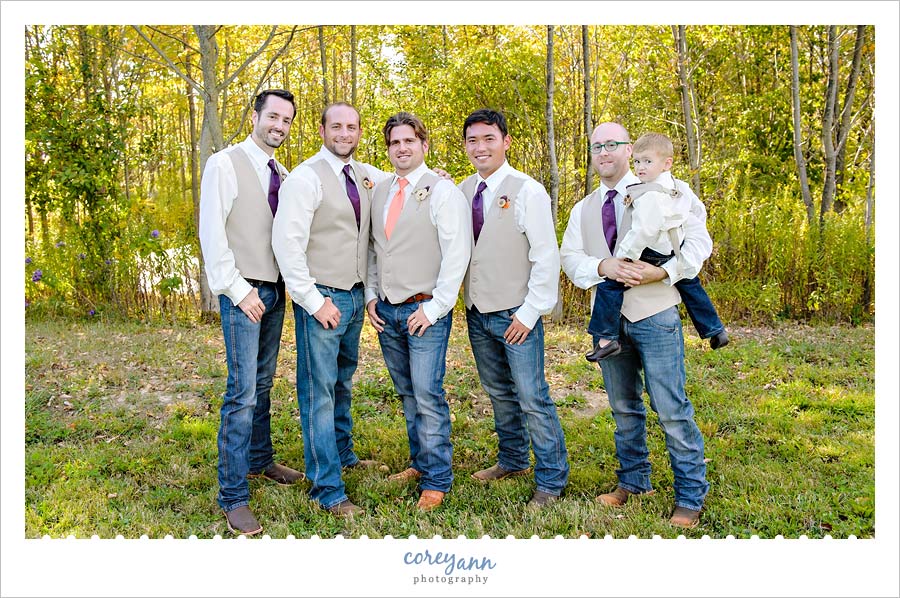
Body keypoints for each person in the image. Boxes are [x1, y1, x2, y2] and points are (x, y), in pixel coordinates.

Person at [560, 122, 711, 528]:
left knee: (671, 408)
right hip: (608, 322)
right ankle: (633, 482)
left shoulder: (668, 190)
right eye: (596, 146)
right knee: (624, 408)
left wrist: (662, 274)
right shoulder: (583, 208)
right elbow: (570, 258)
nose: (604, 152)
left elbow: (699, 244)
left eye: (613, 144)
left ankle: (690, 496)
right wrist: (602, 265)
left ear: (630, 150)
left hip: (655, 314)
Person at [272, 102, 387, 518]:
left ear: (359, 131)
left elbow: (406, 181)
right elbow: (287, 245)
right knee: (318, 391)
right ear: (322, 130)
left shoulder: (366, 175)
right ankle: (326, 488)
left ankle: (343, 454)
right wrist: (313, 300)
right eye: (336, 126)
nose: (344, 133)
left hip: (355, 295)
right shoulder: (305, 178)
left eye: (351, 126)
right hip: (322, 297)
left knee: (342, 382)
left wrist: (439, 179)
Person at [198, 89, 305, 536]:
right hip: (244, 291)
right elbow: (212, 234)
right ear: (255, 115)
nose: (278, 125)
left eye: (286, 120)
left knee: (263, 383)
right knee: (241, 391)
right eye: (273, 116)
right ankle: (232, 495)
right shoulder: (224, 164)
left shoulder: (283, 172)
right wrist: (238, 291)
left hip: (276, 289)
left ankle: (261, 461)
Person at [458, 109, 569, 508]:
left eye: (489, 138)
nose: (480, 146)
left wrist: (529, 312)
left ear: (505, 142)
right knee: (498, 393)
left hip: (515, 313)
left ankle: (552, 481)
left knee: (532, 396)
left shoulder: (528, 190)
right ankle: (513, 459)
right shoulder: (461, 189)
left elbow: (545, 256)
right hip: (476, 309)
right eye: (473, 140)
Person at [365, 112, 471, 512]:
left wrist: (436, 308)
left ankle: (437, 480)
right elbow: (376, 249)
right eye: (395, 143)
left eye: (410, 141)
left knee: (428, 395)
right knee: (408, 393)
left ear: (425, 145)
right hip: (388, 312)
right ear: (388, 148)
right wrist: (372, 295)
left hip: (424, 311)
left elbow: (457, 253)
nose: (402, 148)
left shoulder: (443, 192)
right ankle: (419, 463)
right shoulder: (382, 189)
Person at [585, 132, 728, 362]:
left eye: (647, 162)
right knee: (690, 285)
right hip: (673, 249)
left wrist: (625, 257)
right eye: (637, 162)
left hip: (652, 254)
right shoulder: (677, 187)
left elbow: (642, 231)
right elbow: (698, 211)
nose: (640, 167)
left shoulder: (649, 193)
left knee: (609, 286)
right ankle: (714, 330)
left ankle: (606, 339)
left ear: (666, 163)